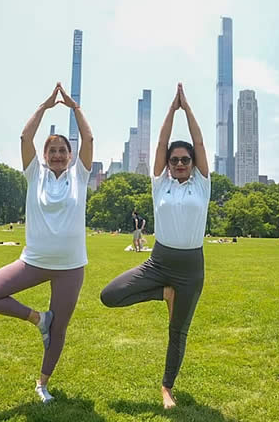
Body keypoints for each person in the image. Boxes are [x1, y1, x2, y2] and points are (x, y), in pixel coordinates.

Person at [0, 82, 93, 404]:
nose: (56, 155)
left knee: (60, 331)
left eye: (62, 151)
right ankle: (38, 318)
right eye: (51, 151)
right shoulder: (34, 175)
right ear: (44, 155)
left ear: (70, 156)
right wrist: (45, 107)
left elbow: (89, 139)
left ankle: (42, 383)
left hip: (70, 267)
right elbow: (25, 138)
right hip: (33, 261)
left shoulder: (79, 176)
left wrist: (75, 108)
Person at [100, 83, 210, 409]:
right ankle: (164, 293)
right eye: (174, 159)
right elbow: (161, 142)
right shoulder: (160, 185)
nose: (178, 163)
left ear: (192, 163)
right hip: (158, 263)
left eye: (184, 160)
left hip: (191, 269)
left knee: (178, 332)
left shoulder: (201, 185)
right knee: (110, 295)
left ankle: (167, 388)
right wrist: (170, 111)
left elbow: (200, 142)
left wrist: (187, 110)